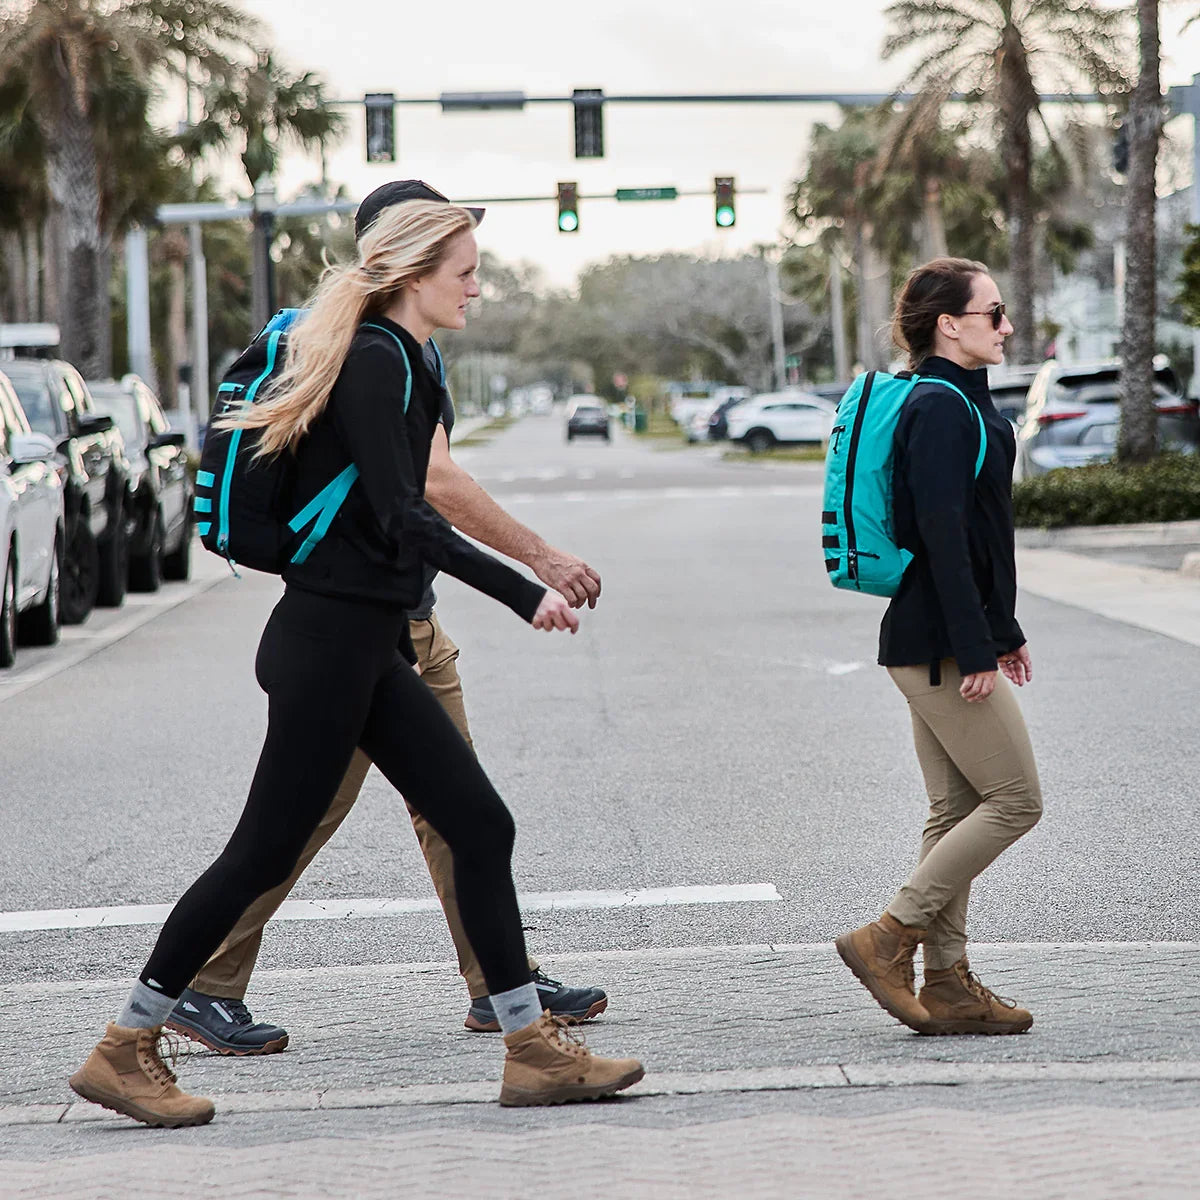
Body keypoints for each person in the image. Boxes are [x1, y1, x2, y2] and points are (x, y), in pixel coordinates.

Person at [68, 195, 644, 1127]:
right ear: (415, 273)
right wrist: (522, 588)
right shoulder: (378, 359)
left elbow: (398, 515)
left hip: (362, 643)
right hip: (328, 647)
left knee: (478, 824)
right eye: (463, 271)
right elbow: (404, 512)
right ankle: (124, 1046)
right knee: (260, 851)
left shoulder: (405, 355)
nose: (476, 287)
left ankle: (531, 1048)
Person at [835, 257, 1042, 1037]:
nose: (1006, 325)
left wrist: (1005, 632)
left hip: (944, 636)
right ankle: (887, 938)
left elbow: (985, 537)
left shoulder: (963, 403)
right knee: (1018, 801)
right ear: (949, 324)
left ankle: (948, 983)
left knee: (956, 809)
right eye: (994, 312)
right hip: (937, 645)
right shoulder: (940, 408)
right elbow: (946, 542)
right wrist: (976, 650)